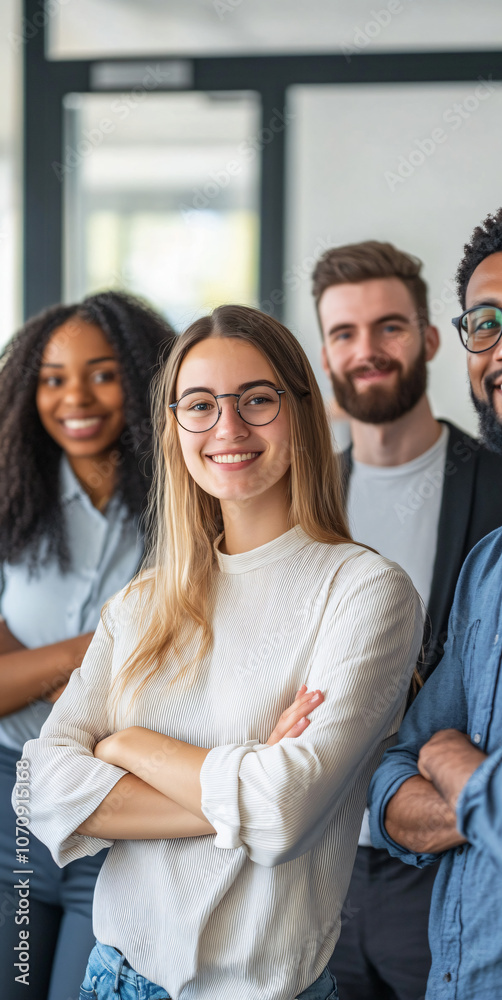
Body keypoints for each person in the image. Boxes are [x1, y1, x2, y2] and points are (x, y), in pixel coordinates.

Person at [20, 305, 423, 1000]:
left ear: (300, 412)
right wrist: (243, 788)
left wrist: (126, 745)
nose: (228, 429)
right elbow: (44, 786)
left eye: (257, 400)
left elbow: (285, 811)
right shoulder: (143, 601)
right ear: (174, 429)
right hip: (113, 975)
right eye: (200, 405)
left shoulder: (365, 591)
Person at [311, 240, 502, 1000]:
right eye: (344, 333)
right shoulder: (305, 501)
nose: (368, 351)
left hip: (448, 861)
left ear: (431, 339)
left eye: (390, 327)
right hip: (318, 860)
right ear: (326, 353)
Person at [369, 201, 502, 998]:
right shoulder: (490, 563)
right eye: (486, 322)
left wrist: (450, 759)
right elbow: (386, 779)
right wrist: (496, 786)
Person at [0, 291, 173, 1000]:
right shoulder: (10, 505)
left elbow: (177, 676)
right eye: (52, 376)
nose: (75, 395)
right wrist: (103, 648)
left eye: (102, 373)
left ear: (141, 378)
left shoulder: (185, 505)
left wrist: (35, 666)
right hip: (11, 815)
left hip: (120, 821)